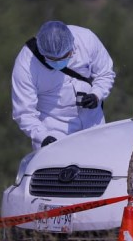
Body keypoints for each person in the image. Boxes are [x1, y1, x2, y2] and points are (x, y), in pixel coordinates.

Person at [11, 20, 116, 151]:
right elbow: (24, 113)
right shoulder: (25, 65)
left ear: (72, 45)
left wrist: (97, 94)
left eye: (66, 56)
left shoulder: (87, 40)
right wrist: (43, 136)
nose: (60, 62)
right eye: (53, 60)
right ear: (42, 53)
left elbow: (105, 73)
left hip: (93, 126)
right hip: (53, 134)